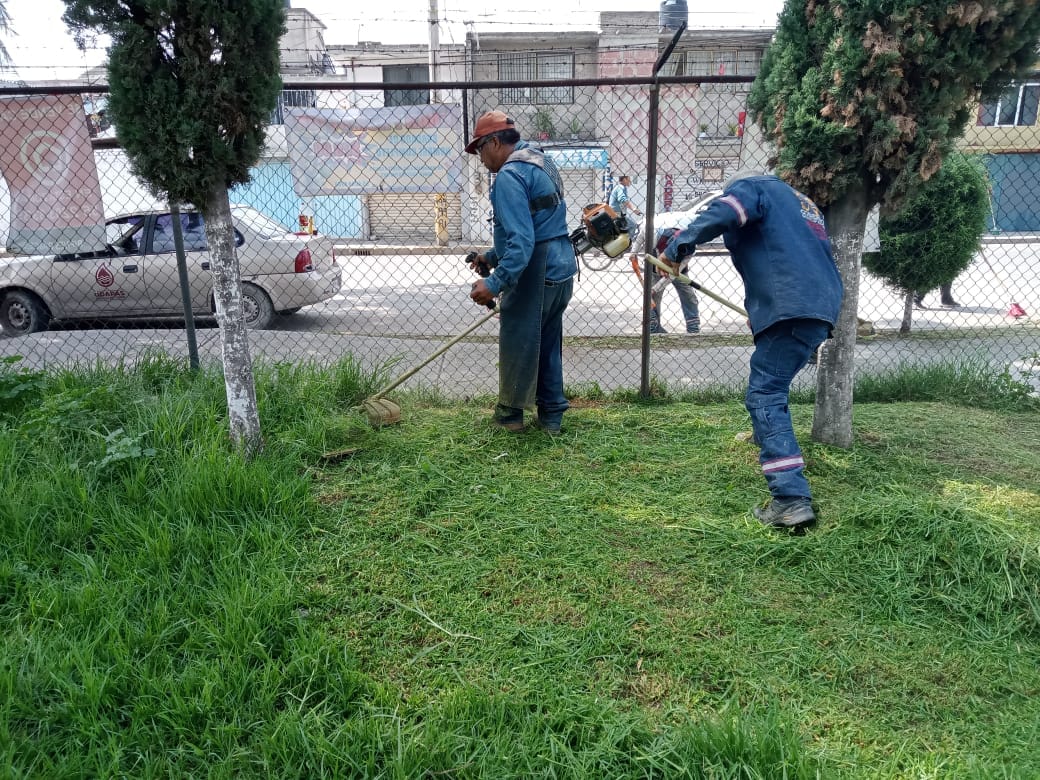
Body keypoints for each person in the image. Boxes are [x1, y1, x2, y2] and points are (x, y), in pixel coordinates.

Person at [659, 171, 844, 529]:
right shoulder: (803, 204)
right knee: (775, 385)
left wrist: (678, 246)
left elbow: (722, 213)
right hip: (819, 306)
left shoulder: (752, 189)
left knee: (765, 395)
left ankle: (790, 498)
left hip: (791, 305)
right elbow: (788, 255)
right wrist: (765, 311)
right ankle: (770, 445)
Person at [465, 110, 579, 434]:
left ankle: (509, 417)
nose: (481, 159)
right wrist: (491, 255)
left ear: (495, 142)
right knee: (547, 343)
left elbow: (523, 241)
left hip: (537, 269)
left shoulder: (509, 176)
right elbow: (538, 223)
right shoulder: (541, 162)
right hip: (561, 266)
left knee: (517, 338)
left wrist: (495, 282)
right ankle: (552, 418)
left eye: (480, 150)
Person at [649, 228, 700, 334]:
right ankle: (653, 329)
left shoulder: (691, 247)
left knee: (689, 296)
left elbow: (674, 274)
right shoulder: (661, 240)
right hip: (658, 266)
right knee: (653, 298)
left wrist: (655, 288)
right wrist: (654, 290)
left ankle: (693, 329)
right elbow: (659, 263)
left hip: (679, 271)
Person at [608, 174, 643, 241]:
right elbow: (622, 199)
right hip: (617, 214)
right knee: (633, 225)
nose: (630, 181)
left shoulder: (620, 187)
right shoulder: (621, 187)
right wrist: (633, 209)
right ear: (624, 179)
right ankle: (628, 244)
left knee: (626, 227)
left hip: (618, 213)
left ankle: (623, 242)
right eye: (628, 178)